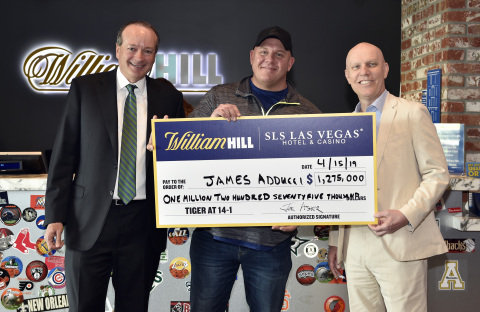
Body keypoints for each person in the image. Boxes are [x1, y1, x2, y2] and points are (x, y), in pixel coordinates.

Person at [44, 21, 185, 312]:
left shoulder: (168, 97)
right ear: (118, 49)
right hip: (89, 219)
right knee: (84, 306)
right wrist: (55, 216)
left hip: (142, 222)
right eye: (132, 48)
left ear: (155, 55)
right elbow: (63, 156)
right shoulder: (85, 89)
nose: (139, 56)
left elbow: (179, 162)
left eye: (148, 50)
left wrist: (171, 147)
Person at [188, 26, 321, 312]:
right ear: (252, 56)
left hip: (270, 244)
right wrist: (209, 125)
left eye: (279, 54)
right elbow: (184, 151)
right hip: (214, 238)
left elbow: (319, 179)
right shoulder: (218, 96)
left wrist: (302, 211)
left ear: (290, 62)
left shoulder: (307, 112)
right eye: (263, 52)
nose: (269, 59)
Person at [328, 42, 449, 312]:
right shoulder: (342, 126)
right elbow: (339, 185)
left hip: (401, 242)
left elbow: (437, 174)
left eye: (371, 64)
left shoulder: (412, 113)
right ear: (347, 75)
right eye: (356, 67)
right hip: (356, 247)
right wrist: (336, 241)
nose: (364, 72)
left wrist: (405, 215)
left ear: (385, 69)